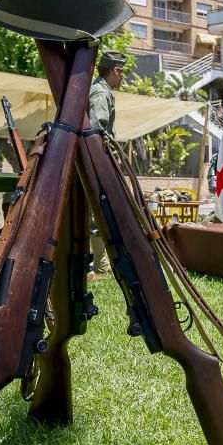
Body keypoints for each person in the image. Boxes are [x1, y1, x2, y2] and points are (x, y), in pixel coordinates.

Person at [87, 50, 128, 277]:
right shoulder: (100, 94)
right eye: (122, 73)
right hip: (98, 162)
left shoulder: (102, 91)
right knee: (99, 213)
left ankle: (102, 266)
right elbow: (96, 132)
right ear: (115, 70)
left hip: (99, 162)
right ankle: (101, 267)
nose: (123, 78)